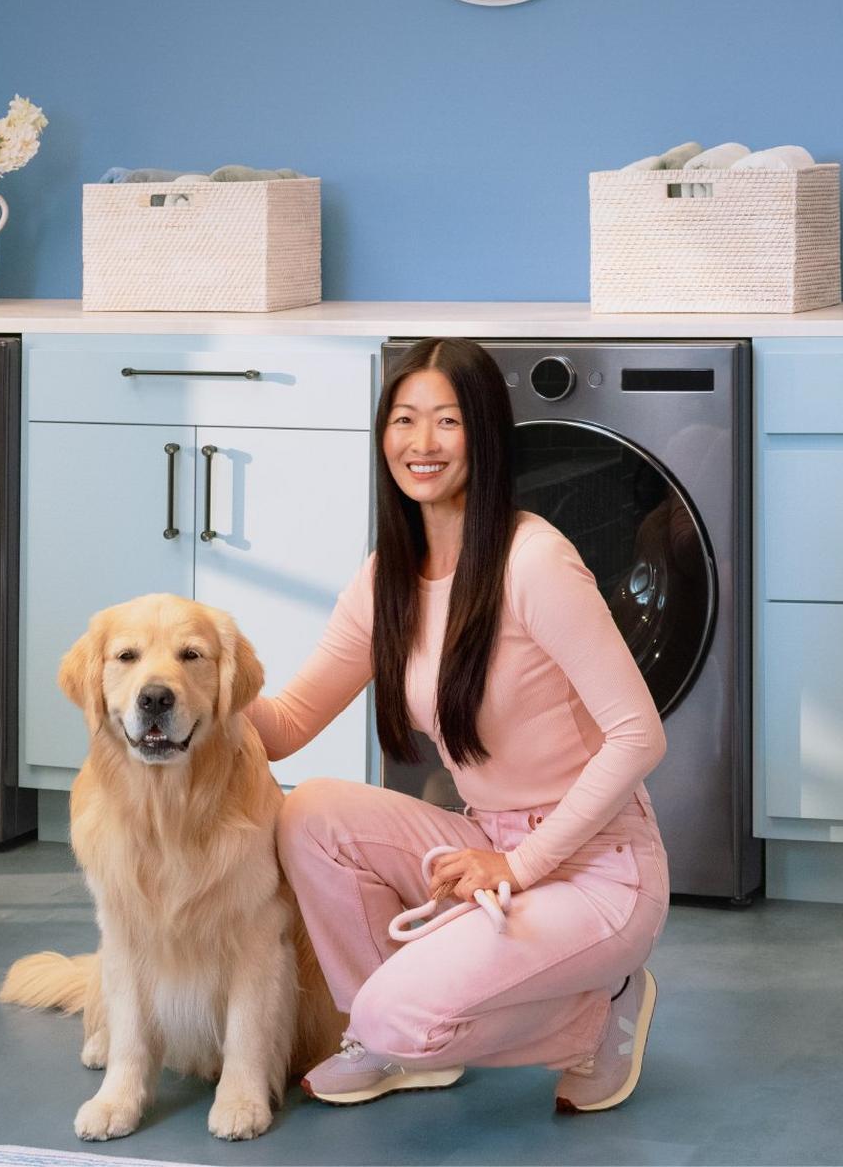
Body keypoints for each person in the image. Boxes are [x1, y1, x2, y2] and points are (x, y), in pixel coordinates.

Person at [245, 336, 669, 1115]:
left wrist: (518, 868)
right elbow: (285, 724)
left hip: (600, 867)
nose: (422, 443)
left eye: (447, 421)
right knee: (311, 812)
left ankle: (598, 1011)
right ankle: (397, 1039)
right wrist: (196, 665)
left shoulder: (533, 561)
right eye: (405, 420)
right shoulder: (387, 581)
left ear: (485, 434)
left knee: (391, 1013)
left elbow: (640, 736)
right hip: (487, 843)